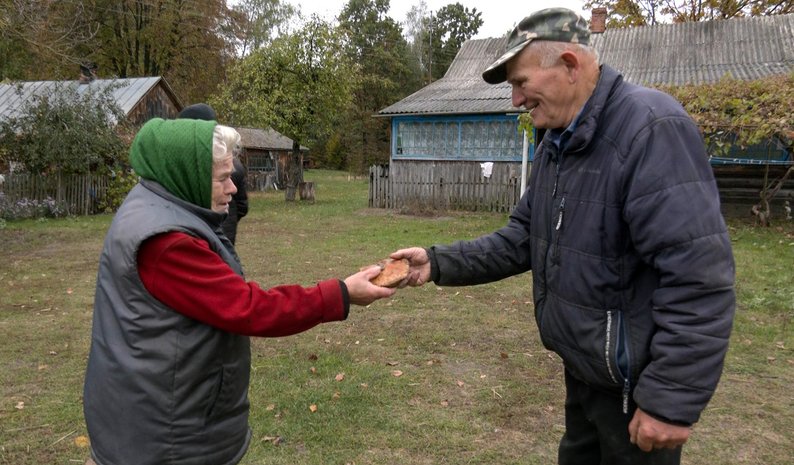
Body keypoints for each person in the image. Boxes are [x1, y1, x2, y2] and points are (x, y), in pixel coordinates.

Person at [391, 8, 736, 465]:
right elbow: (521, 239)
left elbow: (700, 277)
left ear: (570, 66)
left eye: (520, 82)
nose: (515, 99)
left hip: (634, 393)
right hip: (586, 376)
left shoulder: (650, 130)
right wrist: (436, 262)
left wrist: (669, 400)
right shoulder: (558, 141)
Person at [82, 118, 394, 465]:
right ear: (188, 176)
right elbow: (248, 308)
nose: (233, 188)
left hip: (146, 412)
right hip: (167, 435)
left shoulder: (151, 204)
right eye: (222, 179)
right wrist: (341, 293)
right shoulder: (167, 243)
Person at [178, 103, 248, 245]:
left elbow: (241, 204)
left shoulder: (228, 164)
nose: (231, 188)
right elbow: (242, 205)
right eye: (222, 178)